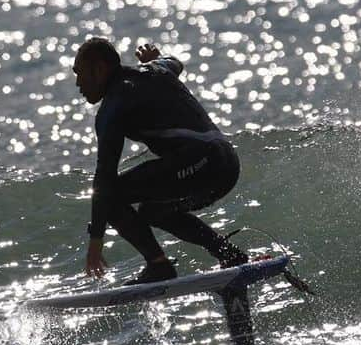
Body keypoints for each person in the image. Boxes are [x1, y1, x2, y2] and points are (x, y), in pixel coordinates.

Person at [73, 36, 248, 284]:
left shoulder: (113, 106)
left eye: (80, 73)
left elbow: (105, 176)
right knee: (154, 211)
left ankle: (159, 266)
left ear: (100, 69)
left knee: (111, 196)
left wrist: (96, 240)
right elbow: (175, 62)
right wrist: (155, 58)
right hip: (227, 163)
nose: (78, 83)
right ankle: (229, 255)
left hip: (202, 164)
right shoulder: (157, 69)